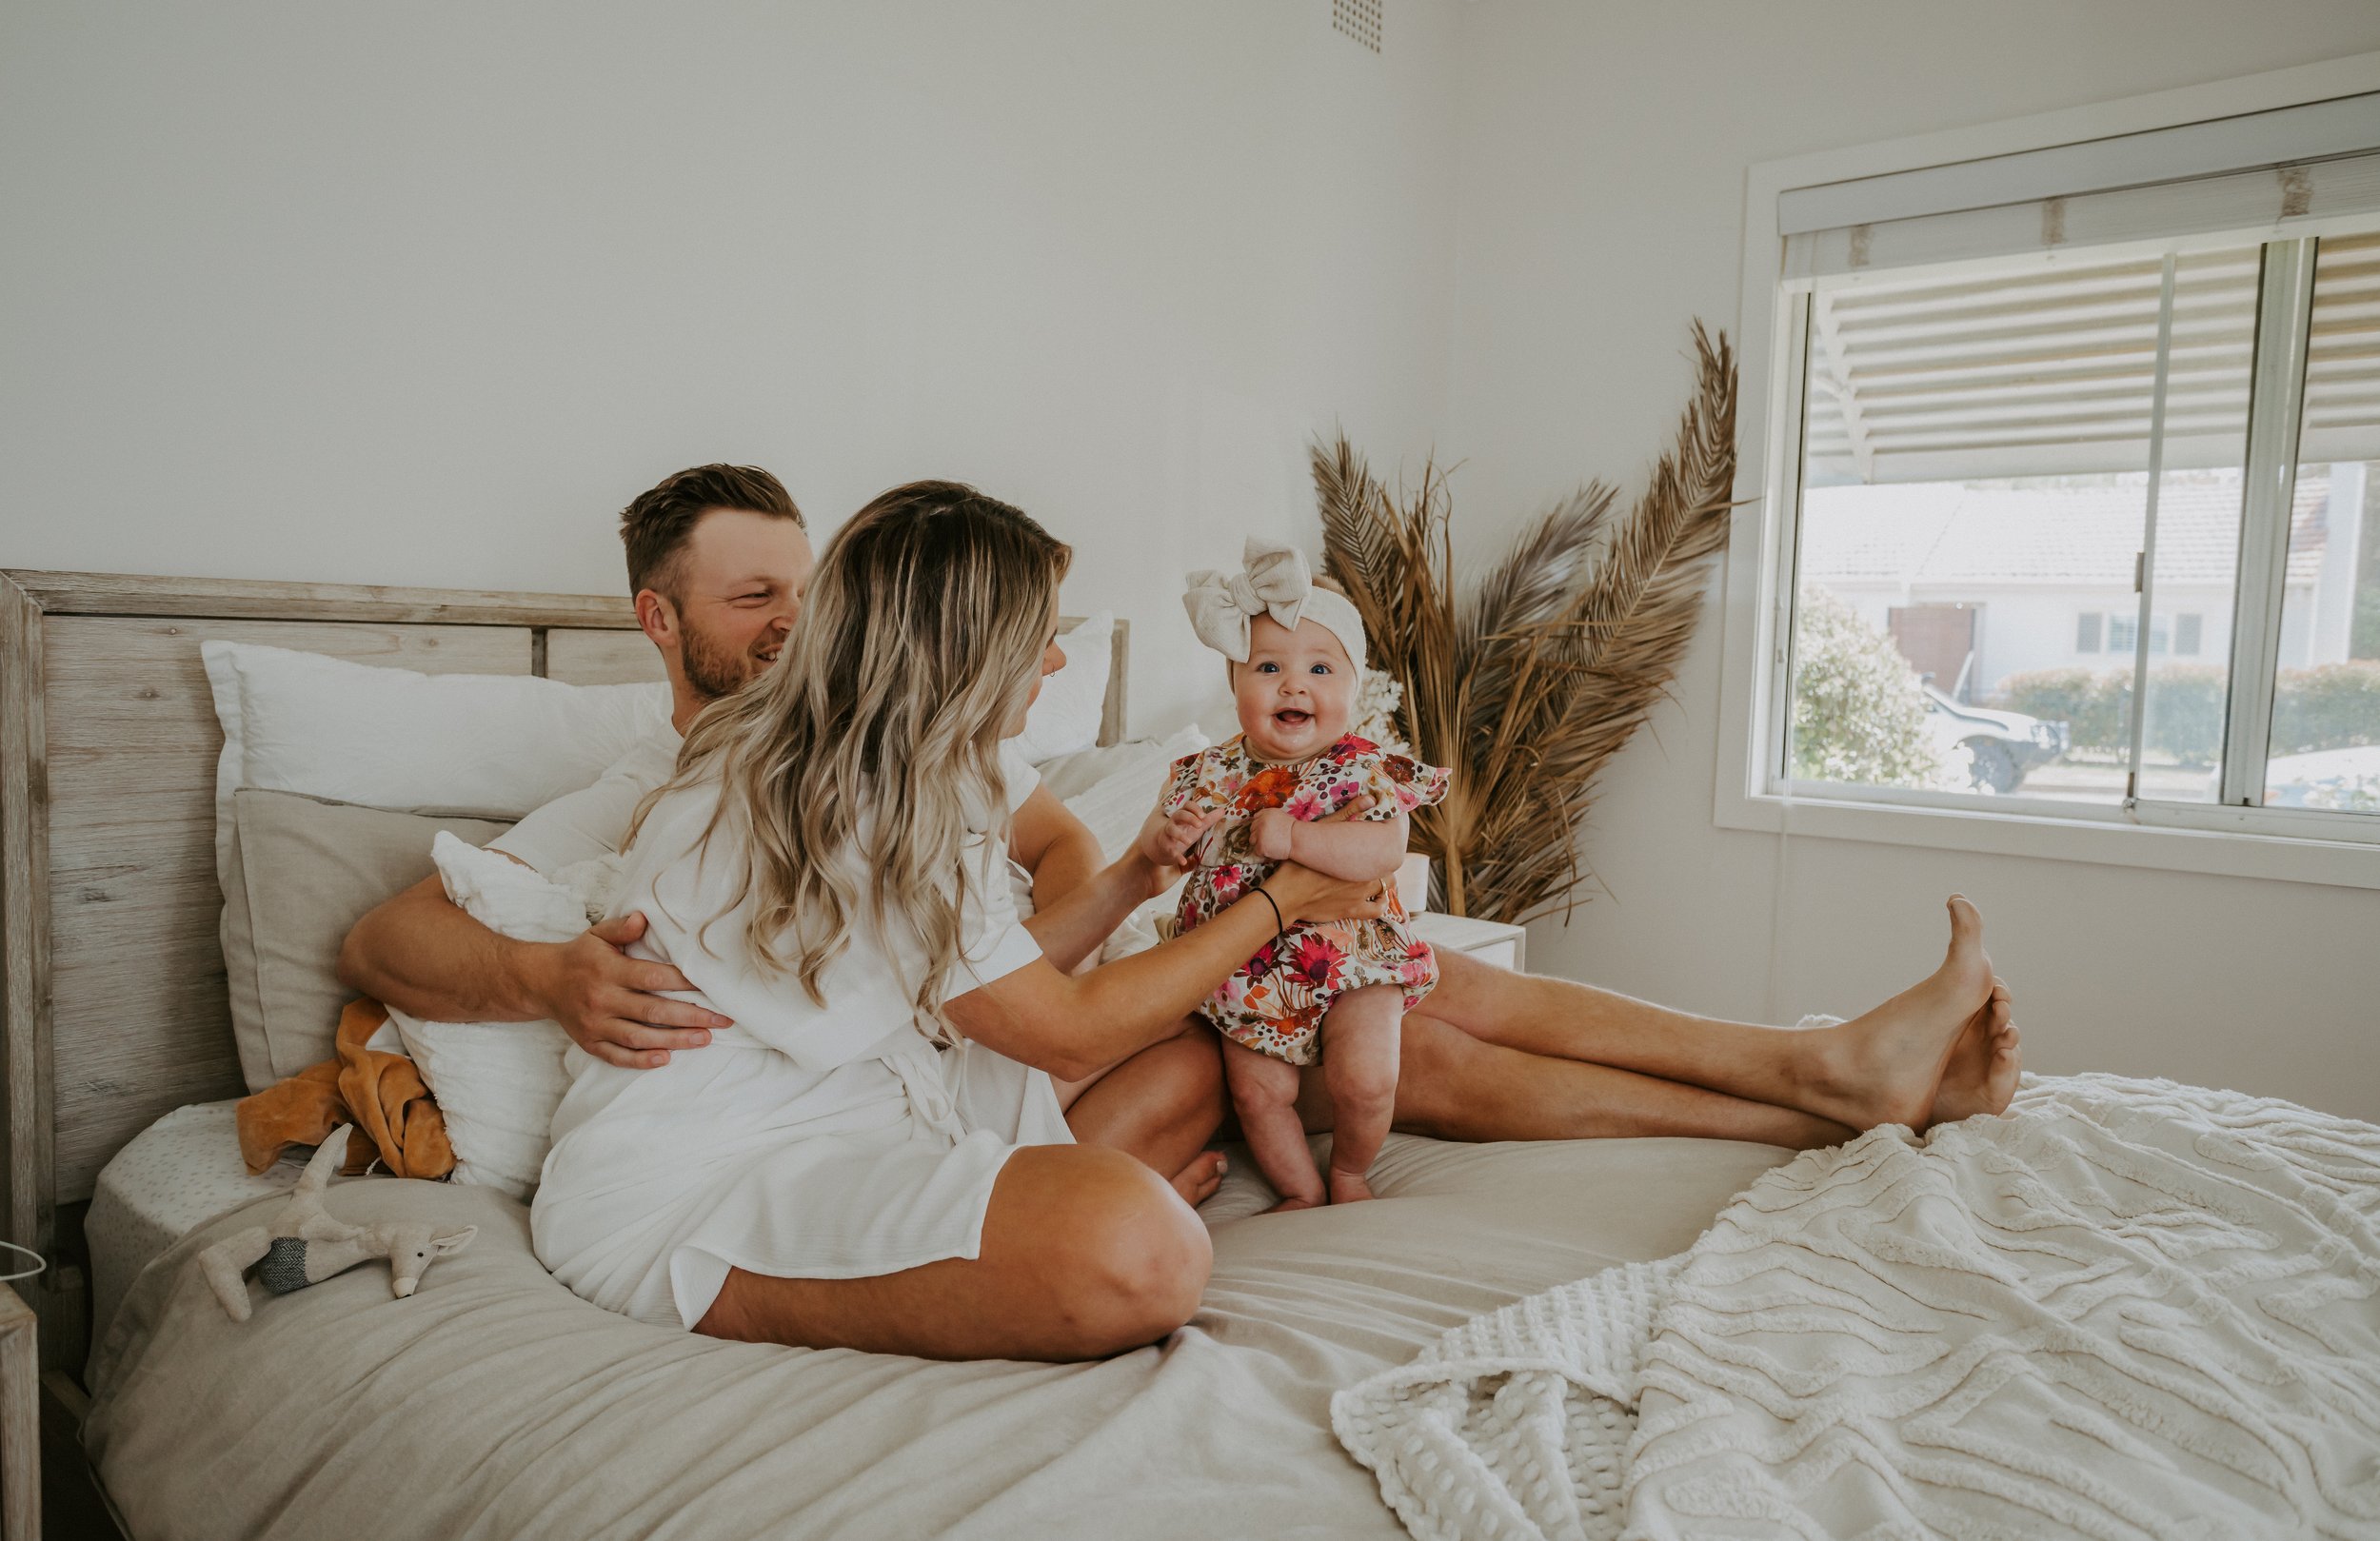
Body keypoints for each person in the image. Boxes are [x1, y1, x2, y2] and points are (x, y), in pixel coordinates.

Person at [342, 466, 2019, 1189]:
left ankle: (1816, 1080)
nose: (795, 623)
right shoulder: (655, 787)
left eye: (812, 586)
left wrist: (1126, 874)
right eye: (751, 598)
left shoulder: (913, 755)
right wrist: (553, 976)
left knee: (1396, 973)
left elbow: (1040, 856)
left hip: (1020, 1007)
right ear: (660, 621)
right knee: (1351, 995)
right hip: (965, 1071)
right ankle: (1816, 1090)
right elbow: (387, 937)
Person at [532, 481, 1385, 1357]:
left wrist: (1134, 877)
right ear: (966, 651)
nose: (1055, 659)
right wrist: (1283, 901)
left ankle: (1022, 1234)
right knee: (1147, 1249)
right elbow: (1069, 1034)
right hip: (689, 1187)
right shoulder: (833, 798)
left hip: (870, 1101)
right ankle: (1025, 1243)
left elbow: (997, 975)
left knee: (1195, 1034)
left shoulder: (909, 771)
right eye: (1038, 636)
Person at [1150, 542, 1450, 1210]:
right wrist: (1173, 840)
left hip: (1353, 952)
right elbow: (1168, 852)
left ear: (1353, 686)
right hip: (1242, 964)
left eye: (1320, 668)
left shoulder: (1364, 766)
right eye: (1268, 667)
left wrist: (1297, 837)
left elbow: (1386, 849)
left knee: (1367, 1079)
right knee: (1259, 1093)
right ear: (1234, 683)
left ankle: (1350, 1172)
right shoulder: (1210, 771)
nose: (1293, 685)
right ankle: (1301, 1190)